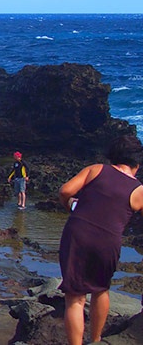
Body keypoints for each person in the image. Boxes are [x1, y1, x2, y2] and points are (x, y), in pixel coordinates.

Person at [58, 135, 143, 345]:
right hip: (108, 241)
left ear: (112, 157)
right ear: (137, 164)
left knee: (75, 297)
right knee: (101, 289)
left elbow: (65, 190)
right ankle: (96, 339)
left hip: (78, 234)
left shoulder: (97, 170)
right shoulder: (140, 190)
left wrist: (71, 205)